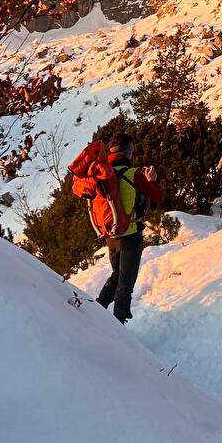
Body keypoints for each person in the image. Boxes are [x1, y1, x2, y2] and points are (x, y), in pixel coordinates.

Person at [73, 133, 162, 323]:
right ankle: (118, 326)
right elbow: (157, 197)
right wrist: (151, 179)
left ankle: (95, 311)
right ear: (128, 151)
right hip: (130, 235)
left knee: (116, 276)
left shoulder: (102, 174)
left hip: (111, 235)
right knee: (126, 284)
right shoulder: (133, 174)